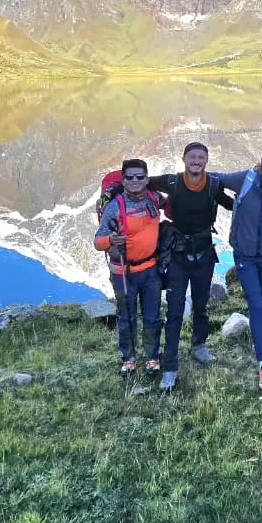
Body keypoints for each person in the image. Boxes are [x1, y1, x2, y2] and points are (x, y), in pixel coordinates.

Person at [148, 142, 235, 391]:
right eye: (192, 157)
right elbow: (143, 182)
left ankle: (199, 346)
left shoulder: (214, 185)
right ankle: (171, 367)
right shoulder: (172, 182)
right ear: (184, 159)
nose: (196, 161)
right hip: (177, 254)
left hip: (204, 253)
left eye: (201, 157)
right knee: (175, 311)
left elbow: (232, 204)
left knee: (200, 305)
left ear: (206, 161)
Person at [218, 143, 262, 390]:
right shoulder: (246, 178)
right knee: (257, 306)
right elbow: (215, 179)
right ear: (261, 160)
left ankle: (260, 341)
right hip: (245, 256)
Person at [93, 159, 164, 379]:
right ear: (123, 180)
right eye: (130, 177)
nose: (135, 181)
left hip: (151, 269)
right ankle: (129, 359)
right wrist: (111, 240)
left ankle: (153, 357)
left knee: (152, 316)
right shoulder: (115, 207)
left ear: (147, 179)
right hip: (123, 272)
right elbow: (98, 242)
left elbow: (173, 205)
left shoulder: (154, 199)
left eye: (140, 177)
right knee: (127, 317)